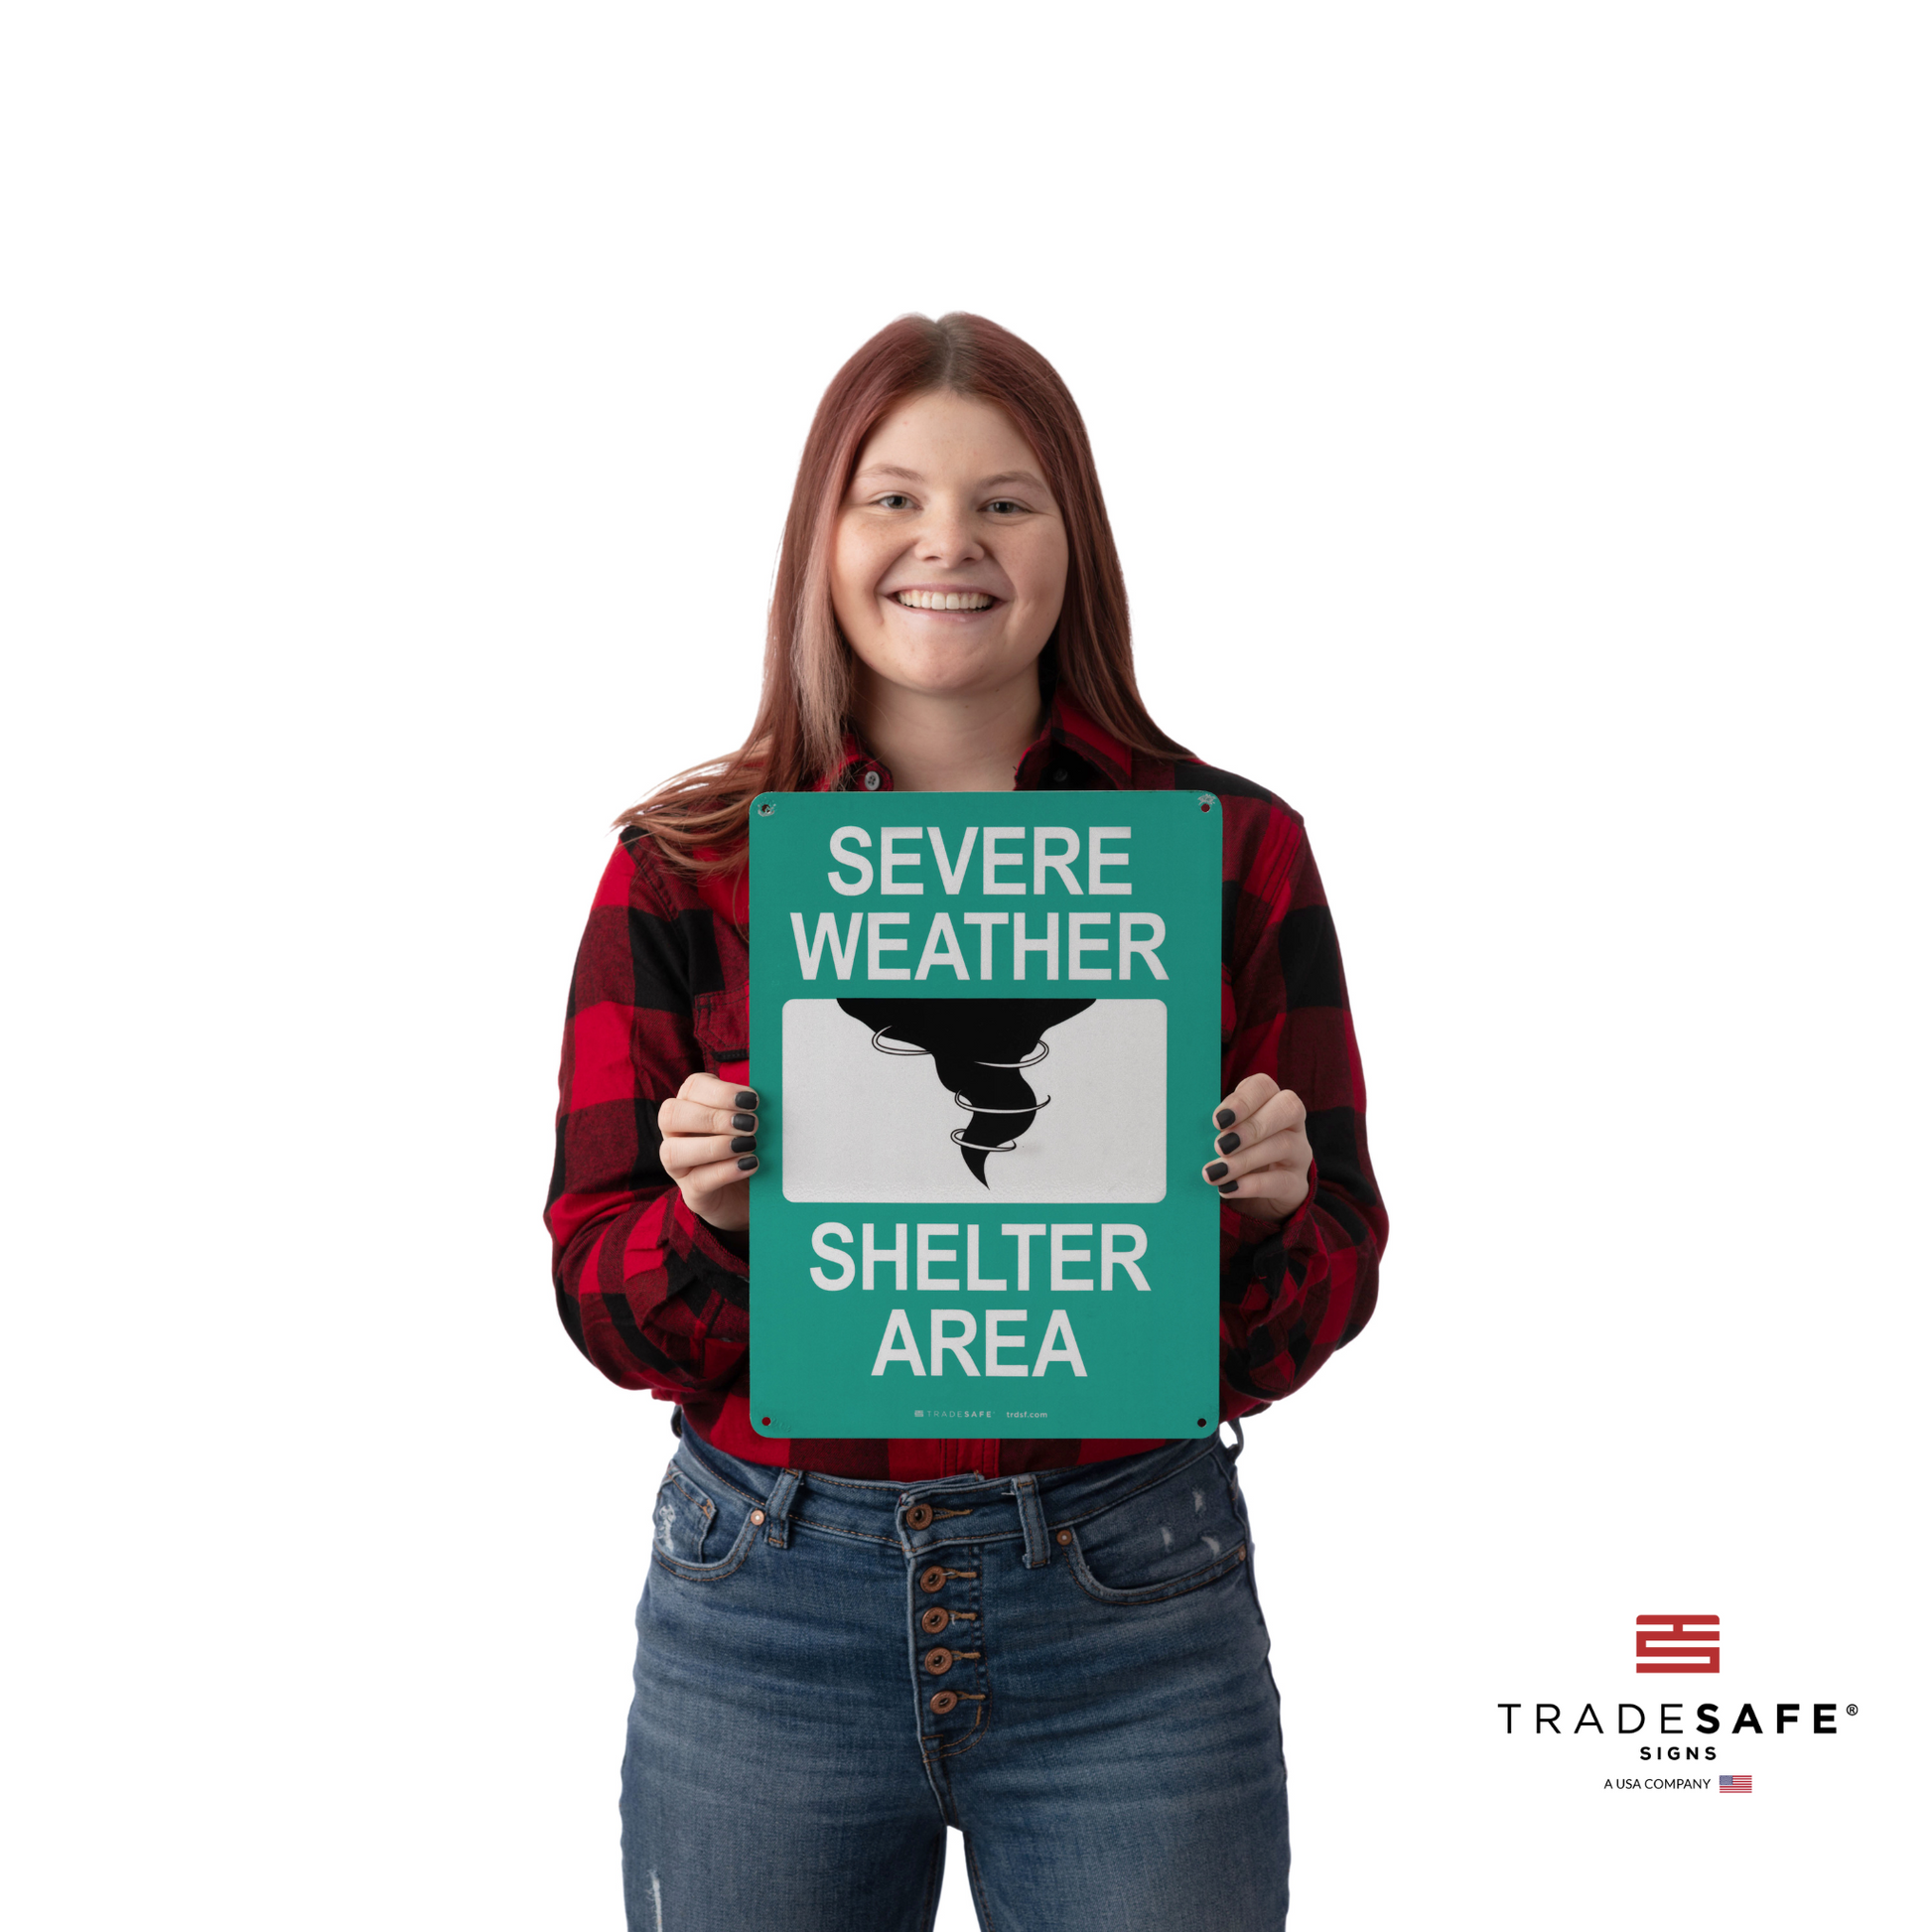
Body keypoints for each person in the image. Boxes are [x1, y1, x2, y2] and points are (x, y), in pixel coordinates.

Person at [545, 313, 1387, 1931]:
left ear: (1073, 538)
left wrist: (1273, 1212)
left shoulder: (1223, 853)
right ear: (823, 537)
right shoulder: (685, 864)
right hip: (767, 1603)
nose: (948, 542)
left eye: (1005, 500)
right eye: (892, 498)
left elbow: (1321, 1295)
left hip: (1130, 1595)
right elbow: (602, 1304)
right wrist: (704, 1218)